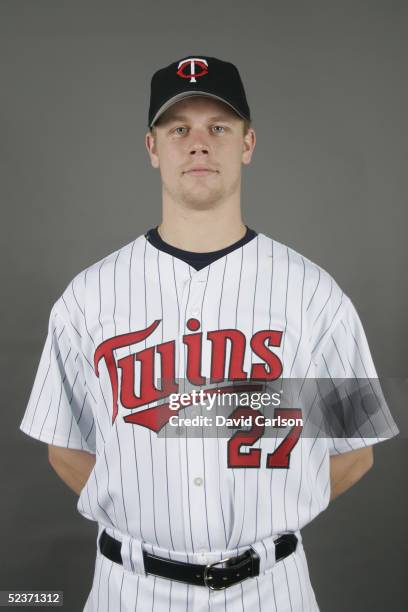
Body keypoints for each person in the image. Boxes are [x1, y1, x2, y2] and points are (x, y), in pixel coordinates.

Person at [19, 55, 399, 611]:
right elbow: (64, 446)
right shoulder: (90, 295)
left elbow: (355, 451)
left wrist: (274, 508)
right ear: (152, 148)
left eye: (218, 127)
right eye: (179, 129)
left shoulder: (313, 295)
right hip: (129, 590)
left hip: (271, 590)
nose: (198, 143)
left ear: (247, 143)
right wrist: (144, 509)